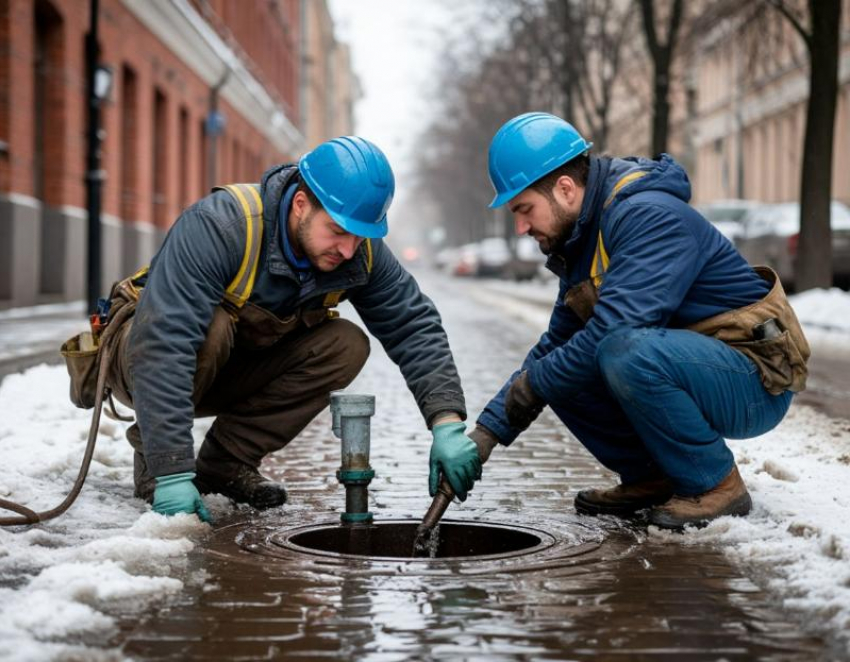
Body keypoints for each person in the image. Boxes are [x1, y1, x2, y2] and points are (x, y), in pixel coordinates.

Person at [104, 136, 483, 521]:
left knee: (345, 345)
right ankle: (157, 468)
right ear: (301, 204)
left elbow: (412, 325)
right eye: (337, 230)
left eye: (360, 236)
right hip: (142, 356)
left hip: (233, 365)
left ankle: (224, 464)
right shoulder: (221, 226)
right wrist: (171, 469)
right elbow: (166, 341)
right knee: (210, 327)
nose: (348, 249)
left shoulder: (359, 252)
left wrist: (446, 422)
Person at [468, 112, 810, 530]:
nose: (521, 227)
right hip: (700, 365)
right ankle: (654, 477)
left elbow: (613, 332)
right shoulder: (584, 239)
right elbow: (554, 347)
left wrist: (534, 384)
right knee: (559, 369)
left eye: (524, 209)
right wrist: (487, 432)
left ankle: (716, 484)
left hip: (755, 378)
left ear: (565, 189)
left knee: (618, 350)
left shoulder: (648, 215)